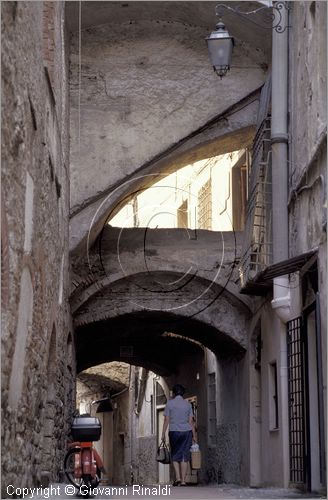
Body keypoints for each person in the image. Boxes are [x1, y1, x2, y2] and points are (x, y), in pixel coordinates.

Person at [161, 384, 197, 486]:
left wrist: (163, 433)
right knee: (184, 456)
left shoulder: (169, 404)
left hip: (174, 432)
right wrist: (194, 435)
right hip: (186, 432)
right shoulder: (188, 405)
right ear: (182, 393)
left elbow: (166, 420)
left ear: (174, 393)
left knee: (175, 454)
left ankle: (177, 478)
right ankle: (183, 481)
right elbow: (191, 422)